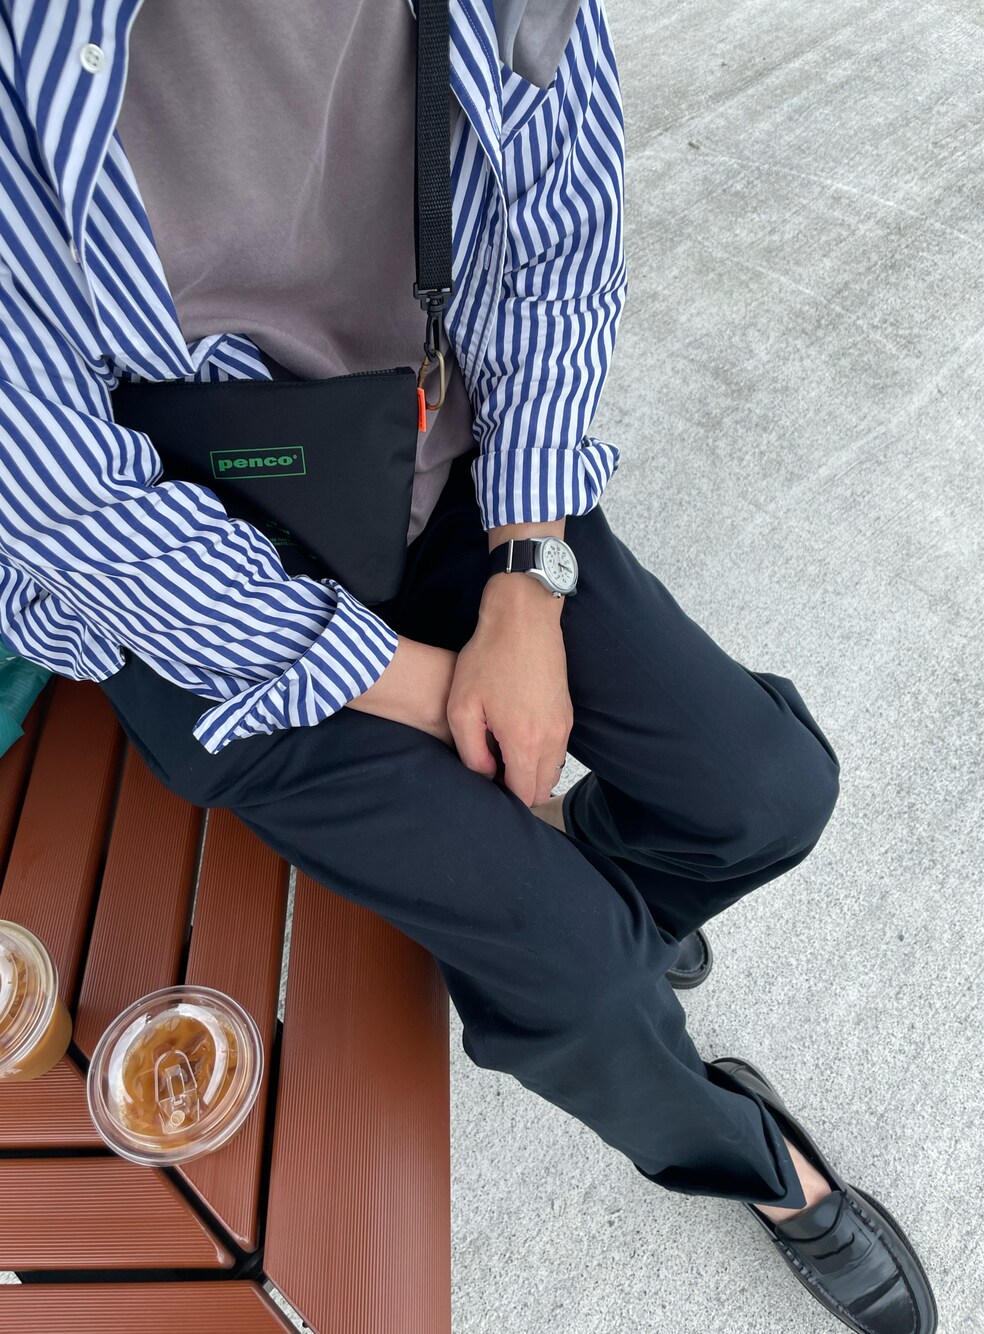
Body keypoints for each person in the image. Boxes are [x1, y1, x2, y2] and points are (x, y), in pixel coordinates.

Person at [0, 2, 936, 1330]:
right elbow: (60, 498)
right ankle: (760, 1164)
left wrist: (527, 579)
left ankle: (608, 886)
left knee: (765, 790)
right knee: (583, 984)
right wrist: (437, 687)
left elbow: (562, 226)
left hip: (439, 476)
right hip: (194, 617)